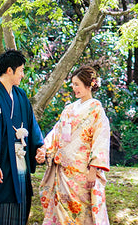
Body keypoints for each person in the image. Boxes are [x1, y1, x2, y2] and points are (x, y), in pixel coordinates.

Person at [0, 50, 44, 225]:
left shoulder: (20, 96)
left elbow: (31, 124)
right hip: (1, 160)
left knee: (20, 197)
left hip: (20, 158)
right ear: (9, 70)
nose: (23, 75)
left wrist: (39, 147)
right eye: (21, 70)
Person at [36, 65, 111, 225]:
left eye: (77, 84)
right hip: (63, 170)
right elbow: (57, 132)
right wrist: (44, 148)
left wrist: (93, 170)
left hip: (83, 173)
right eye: (73, 84)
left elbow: (100, 140)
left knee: (83, 215)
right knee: (62, 214)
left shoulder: (96, 109)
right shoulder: (69, 109)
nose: (73, 87)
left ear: (89, 84)